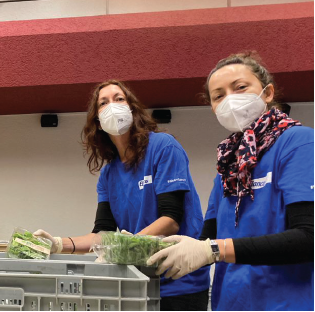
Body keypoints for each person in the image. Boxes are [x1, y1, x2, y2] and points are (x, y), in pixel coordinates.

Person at [147, 52, 314, 311]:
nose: (230, 99)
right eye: (219, 95)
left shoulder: (298, 142)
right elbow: (208, 240)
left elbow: (308, 239)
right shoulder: (229, 163)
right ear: (213, 107)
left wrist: (213, 250)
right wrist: (145, 247)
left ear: (267, 93)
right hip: (230, 302)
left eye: (240, 87)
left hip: (284, 302)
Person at [34, 80, 210, 310]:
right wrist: (57, 244)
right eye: (103, 103)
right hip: (139, 282)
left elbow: (171, 219)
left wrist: (123, 248)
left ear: (132, 108)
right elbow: (103, 233)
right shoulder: (108, 174)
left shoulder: (163, 147)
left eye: (119, 99)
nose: (112, 106)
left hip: (179, 280)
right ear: (97, 120)